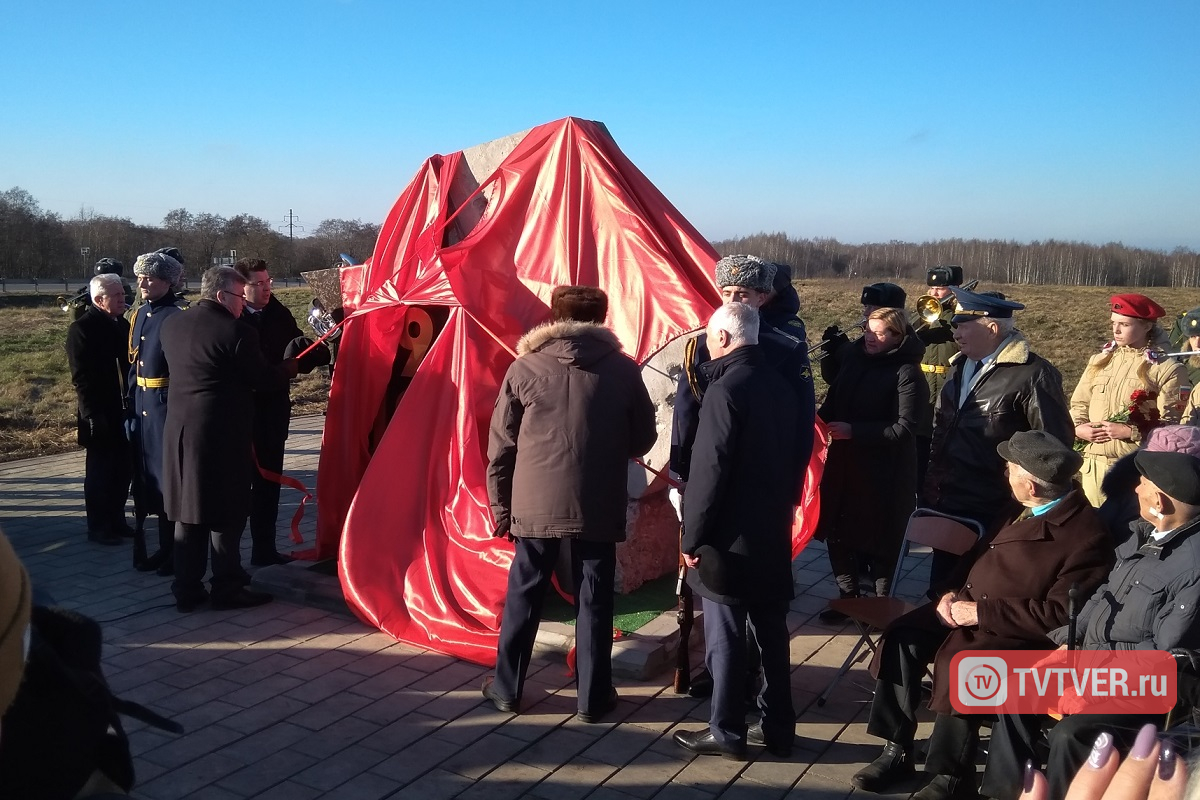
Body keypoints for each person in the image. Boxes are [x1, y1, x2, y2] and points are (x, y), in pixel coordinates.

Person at [852, 430, 1113, 800]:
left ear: (1033, 486)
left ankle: (951, 775)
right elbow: (976, 558)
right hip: (964, 606)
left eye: (1010, 469)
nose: (1004, 472)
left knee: (966, 664)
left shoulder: (1086, 535)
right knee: (902, 636)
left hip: (1015, 632)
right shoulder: (1017, 506)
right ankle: (897, 750)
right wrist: (947, 594)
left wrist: (980, 613)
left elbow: (1061, 614)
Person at [981, 449, 1200, 800]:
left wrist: (1096, 686)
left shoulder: (1193, 567)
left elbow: (1166, 655)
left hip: (1143, 688)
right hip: (1095, 662)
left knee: (1072, 733)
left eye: (1141, 485)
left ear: (1159, 499)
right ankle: (1008, 793)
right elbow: (1102, 598)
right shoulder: (1142, 537)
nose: (1136, 491)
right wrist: (1068, 645)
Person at [483, 286, 656, 723]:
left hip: (533, 503)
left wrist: (500, 508)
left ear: (552, 318)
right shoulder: (623, 370)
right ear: (602, 319)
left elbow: (501, 447)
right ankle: (594, 698)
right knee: (594, 598)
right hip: (597, 500)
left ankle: (507, 689)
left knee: (524, 593)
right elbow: (643, 439)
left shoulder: (523, 368)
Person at [668, 254, 816, 699]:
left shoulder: (785, 345)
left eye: (744, 294)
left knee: (748, 590)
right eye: (728, 293)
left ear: (764, 296)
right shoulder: (704, 341)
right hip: (709, 478)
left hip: (758, 484)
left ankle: (740, 680)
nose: (735, 300)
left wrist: (790, 488)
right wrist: (680, 472)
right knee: (717, 588)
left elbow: (801, 422)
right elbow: (687, 412)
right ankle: (723, 672)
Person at [672, 302, 801, 761]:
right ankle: (779, 727)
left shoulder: (726, 389)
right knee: (771, 633)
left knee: (724, 636)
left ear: (724, 338)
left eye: (710, 337)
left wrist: (692, 537)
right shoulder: (783, 384)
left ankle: (726, 730)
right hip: (772, 528)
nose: (707, 345)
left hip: (728, 537)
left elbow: (710, 470)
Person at [160, 267, 313, 613]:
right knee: (226, 512)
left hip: (179, 430)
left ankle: (186, 587)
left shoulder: (173, 324)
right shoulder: (236, 331)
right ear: (221, 296)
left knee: (188, 511)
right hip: (220, 434)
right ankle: (227, 585)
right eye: (239, 297)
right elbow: (263, 378)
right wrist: (290, 366)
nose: (243, 305)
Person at [922, 288, 1075, 586]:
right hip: (948, 498)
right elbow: (942, 429)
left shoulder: (1033, 374)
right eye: (955, 326)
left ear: (992, 328)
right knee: (942, 587)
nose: (956, 334)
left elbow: (1053, 445)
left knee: (982, 588)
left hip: (997, 506)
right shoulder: (958, 368)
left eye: (964, 325)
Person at [815, 306, 927, 622]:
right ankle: (847, 600)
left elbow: (905, 427)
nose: (870, 337)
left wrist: (855, 430)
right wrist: (813, 425)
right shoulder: (853, 359)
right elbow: (832, 403)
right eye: (868, 330)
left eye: (879, 332)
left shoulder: (907, 372)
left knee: (880, 540)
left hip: (884, 472)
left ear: (897, 336)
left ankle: (880, 606)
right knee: (838, 531)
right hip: (845, 466)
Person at [233, 258, 329, 566]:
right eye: (258, 284)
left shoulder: (278, 312)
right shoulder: (229, 318)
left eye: (268, 282)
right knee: (236, 488)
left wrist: (312, 352)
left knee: (268, 483)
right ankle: (227, 558)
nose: (266, 289)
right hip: (239, 415)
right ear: (240, 287)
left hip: (272, 412)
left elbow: (295, 351)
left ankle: (264, 548)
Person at [1070, 294, 1187, 507]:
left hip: (1135, 468)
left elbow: (1172, 427)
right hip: (1093, 465)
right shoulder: (1099, 362)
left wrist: (1129, 432)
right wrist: (1078, 427)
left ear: (1146, 327)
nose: (1116, 330)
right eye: (1113, 323)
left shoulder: (1167, 369)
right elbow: (1079, 403)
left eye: (1124, 324)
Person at [126, 251, 188, 573]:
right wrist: (129, 405)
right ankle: (163, 548)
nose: (142, 283)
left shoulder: (176, 315)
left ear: (167, 280)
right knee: (149, 480)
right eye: (140, 277)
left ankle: (174, 550)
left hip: (165, 407)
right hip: (142, 407)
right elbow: (133, 365)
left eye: (149, 277)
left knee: (168, 482)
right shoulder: (140, 316)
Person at [66, 273, 132, 546]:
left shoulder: (122, 323)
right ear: (98, 300)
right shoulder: (83, 329)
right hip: (100, 411)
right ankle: (99, 526)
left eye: (122, 294)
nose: (123, 299)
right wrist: (92, 414)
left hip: (124, 409)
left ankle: (118, 519)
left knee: (123, 469)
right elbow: (81, 377)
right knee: (100, 471)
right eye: (116, 296)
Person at [913, 266, 965, 488]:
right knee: (920, 440)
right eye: (931, 288)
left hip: (949, 384)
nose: (934, 294)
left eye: (940, 289)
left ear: (954, 289)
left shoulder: (963, 315)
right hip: (923, 385)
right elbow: (908, 334)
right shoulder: (924, 312)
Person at [819, 281, 907, 384]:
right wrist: (832, 356)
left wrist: (846, 352)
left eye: (873, 308)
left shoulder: (903, 356)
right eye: (866, 307)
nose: (866, 312)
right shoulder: (862, 343)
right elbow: (836, 381)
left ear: (891, 314)